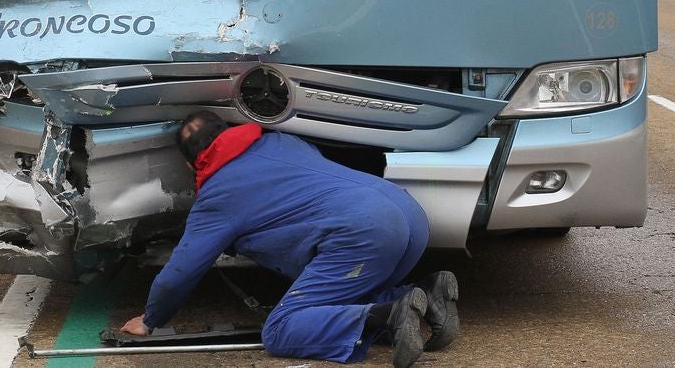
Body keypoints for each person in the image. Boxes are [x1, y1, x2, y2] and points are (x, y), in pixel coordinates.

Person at [119, 111, 460, 367]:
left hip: (366, 232)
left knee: (281, 330)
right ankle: (427, 296)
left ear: (189, 161)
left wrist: (151, 320)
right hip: (407, 211)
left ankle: (392, 314)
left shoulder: (218, 195)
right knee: (342, 294)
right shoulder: (284, 140)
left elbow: (181, 270)